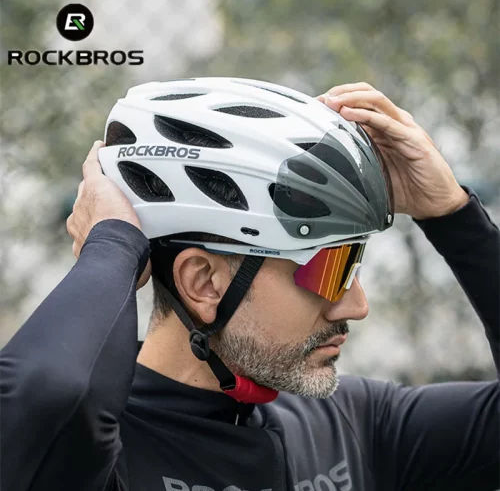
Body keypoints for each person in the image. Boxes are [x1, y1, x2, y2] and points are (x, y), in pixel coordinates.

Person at [0, 78, 498, 491]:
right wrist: (113, 243)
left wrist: (453, 216)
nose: (356, 305)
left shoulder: (353, 423)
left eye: (354, 264)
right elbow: (48, 394)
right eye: (330, 270)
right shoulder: (96, 453)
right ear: (204, 282)